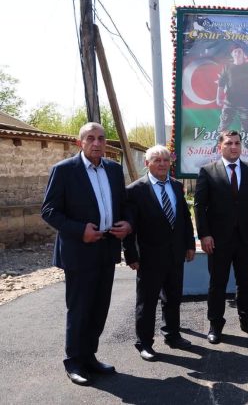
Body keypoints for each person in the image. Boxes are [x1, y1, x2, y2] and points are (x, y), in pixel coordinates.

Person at [41, 122, 132, 386]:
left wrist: (128, 224)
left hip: (107, 248)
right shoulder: (64, 170)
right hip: (79, 250)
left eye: (101, 138)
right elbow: (49, 211)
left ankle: (89, 356)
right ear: (79, 142)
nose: (96, 143)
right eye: (90, 138)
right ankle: (74, 361)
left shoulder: (113, 169)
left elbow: (124, 204)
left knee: (99, 307)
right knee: (80, 308)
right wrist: (80, 230)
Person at [194, 130, 248, 344]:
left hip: (246, 238)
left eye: (237, 143)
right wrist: (204, 235)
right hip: (218, 240)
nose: (234, 147)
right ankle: (215, 325)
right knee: (217, 284)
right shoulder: (208, 171)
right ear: (220, 147)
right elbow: (199, 206)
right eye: (229, 143)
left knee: (246, 283)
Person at [123, 145, 196, 361]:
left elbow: (184, 218)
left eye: (165, 160)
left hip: (175, 254)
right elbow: (128, 226)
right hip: (149, 257)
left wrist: (190, 245)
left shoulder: (176, 186)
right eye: (157, 160)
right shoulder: (135, 190)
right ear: (147, 164)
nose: (162, 164)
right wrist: (131, 254)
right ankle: (144, 343)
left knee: (173, 298)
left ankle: (172, 335)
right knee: (147, 302)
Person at [216, 47, 248, 150]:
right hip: (229, 101)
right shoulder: (227, 67)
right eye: (235, 51)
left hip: (245, 101)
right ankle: (218, 143)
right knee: (223, 124)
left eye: (240, 51)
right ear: (232, 54)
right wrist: (218, 97)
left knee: (246, 125)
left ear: (243, 54)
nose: (237, 53)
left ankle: (246, 144)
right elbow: (221, 84)